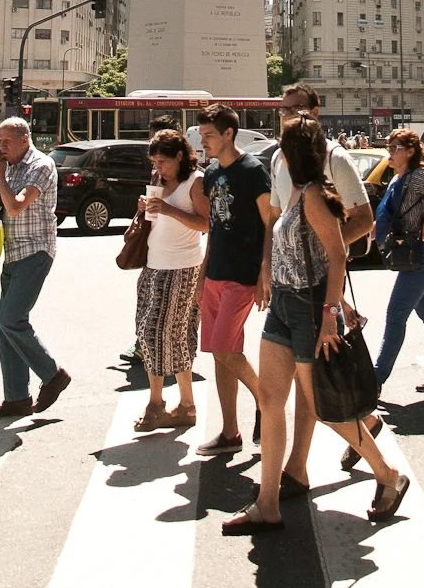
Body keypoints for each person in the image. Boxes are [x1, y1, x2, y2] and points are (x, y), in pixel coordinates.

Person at [223, 118, 408, 534]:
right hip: (284, 307)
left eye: (282, 145)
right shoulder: (295, 194)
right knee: (271, 402)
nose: (276, 153)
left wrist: (330, 315)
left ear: (294, 153)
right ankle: (266, 502)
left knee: (326, 408)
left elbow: (337, 256)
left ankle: (388, 474)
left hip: (309, 309)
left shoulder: (313, 198)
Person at [264, 83, 374, 496]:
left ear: (315, 111)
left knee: (314, 386)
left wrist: (328, 248)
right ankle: (294, 469)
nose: (288, 115)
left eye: (296, 108)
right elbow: (275, 218)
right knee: (287, 388)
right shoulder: (278, 158)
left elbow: (365, 219)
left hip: (318, 287)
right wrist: (267, 268)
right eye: (283, 109)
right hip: (285, 285)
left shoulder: (335, 158)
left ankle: (303, 467)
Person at [342, 131, 424, 462]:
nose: (389, 153)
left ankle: (376, 381)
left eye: (394, 148)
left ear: (409, 151)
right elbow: (388, 215)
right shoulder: (400, 178)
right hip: (414, 253)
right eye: (390, 148)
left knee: (396, 315)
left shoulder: (420, 176)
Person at [194, 103, 272, 456]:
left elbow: (270, 223)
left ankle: (264, 401)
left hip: (243, 274)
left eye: (210, 135)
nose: (204, 141)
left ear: (229, 134)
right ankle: (230, 432)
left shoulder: (253, 170)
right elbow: (214, 227)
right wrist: (202, 272)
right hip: (215, 272)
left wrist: (264, 271)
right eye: (202, 135)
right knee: (219, 355)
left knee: (225, 349)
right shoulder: (211, 173)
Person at [0, 117, 69, 419]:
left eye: (5, 141)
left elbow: (17, 205)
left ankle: (53, 374)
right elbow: (7, 206)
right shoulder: (12, 166)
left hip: (36, 251)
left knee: (12, 319)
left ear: (24, 139)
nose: (0, 147)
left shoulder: (40, 166)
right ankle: (17, 398)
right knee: (3, 328)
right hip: (12, 252)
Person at [133, 130, 209, 432]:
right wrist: (146, 208)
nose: (158, 167)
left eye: (162, 161)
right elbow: (155, 221)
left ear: (180, 156)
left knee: (162, 333)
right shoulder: (158, 179)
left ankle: (159, 402)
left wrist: (167, 208)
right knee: (151, 331)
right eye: (154, 162)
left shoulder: (196, 182)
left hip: (182, 266)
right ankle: (183, 404)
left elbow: (206, 224)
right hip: (154, 263)